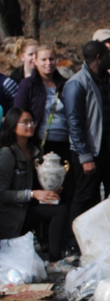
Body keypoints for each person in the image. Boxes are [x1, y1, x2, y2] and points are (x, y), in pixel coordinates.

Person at [64, 40, 110, 224]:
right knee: (86, 197)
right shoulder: (76, 84)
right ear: (98, 58)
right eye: (108, 54)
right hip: (91, 151)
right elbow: (74, 123)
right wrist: (85, 156)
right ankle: (76, 241)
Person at [0, 108, 70, 266]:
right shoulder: (7, 154)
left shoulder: (35, 152)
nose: (30, 126)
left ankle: (55, 258)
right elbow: (2, 194)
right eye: (24, 123)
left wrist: (50, 188)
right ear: (12, 126)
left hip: (27, 209)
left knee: (59, 204)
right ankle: (53, 258)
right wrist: (33, 194)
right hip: (12, 216)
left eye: (32, 122)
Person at [14, 44, 69, 161]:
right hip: (38, 143)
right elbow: (19, 113)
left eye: (51, 59)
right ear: (35, 62)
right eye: (43, 59)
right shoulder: (28, 85)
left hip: (65, 143)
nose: (48, 63)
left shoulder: (66, 84)